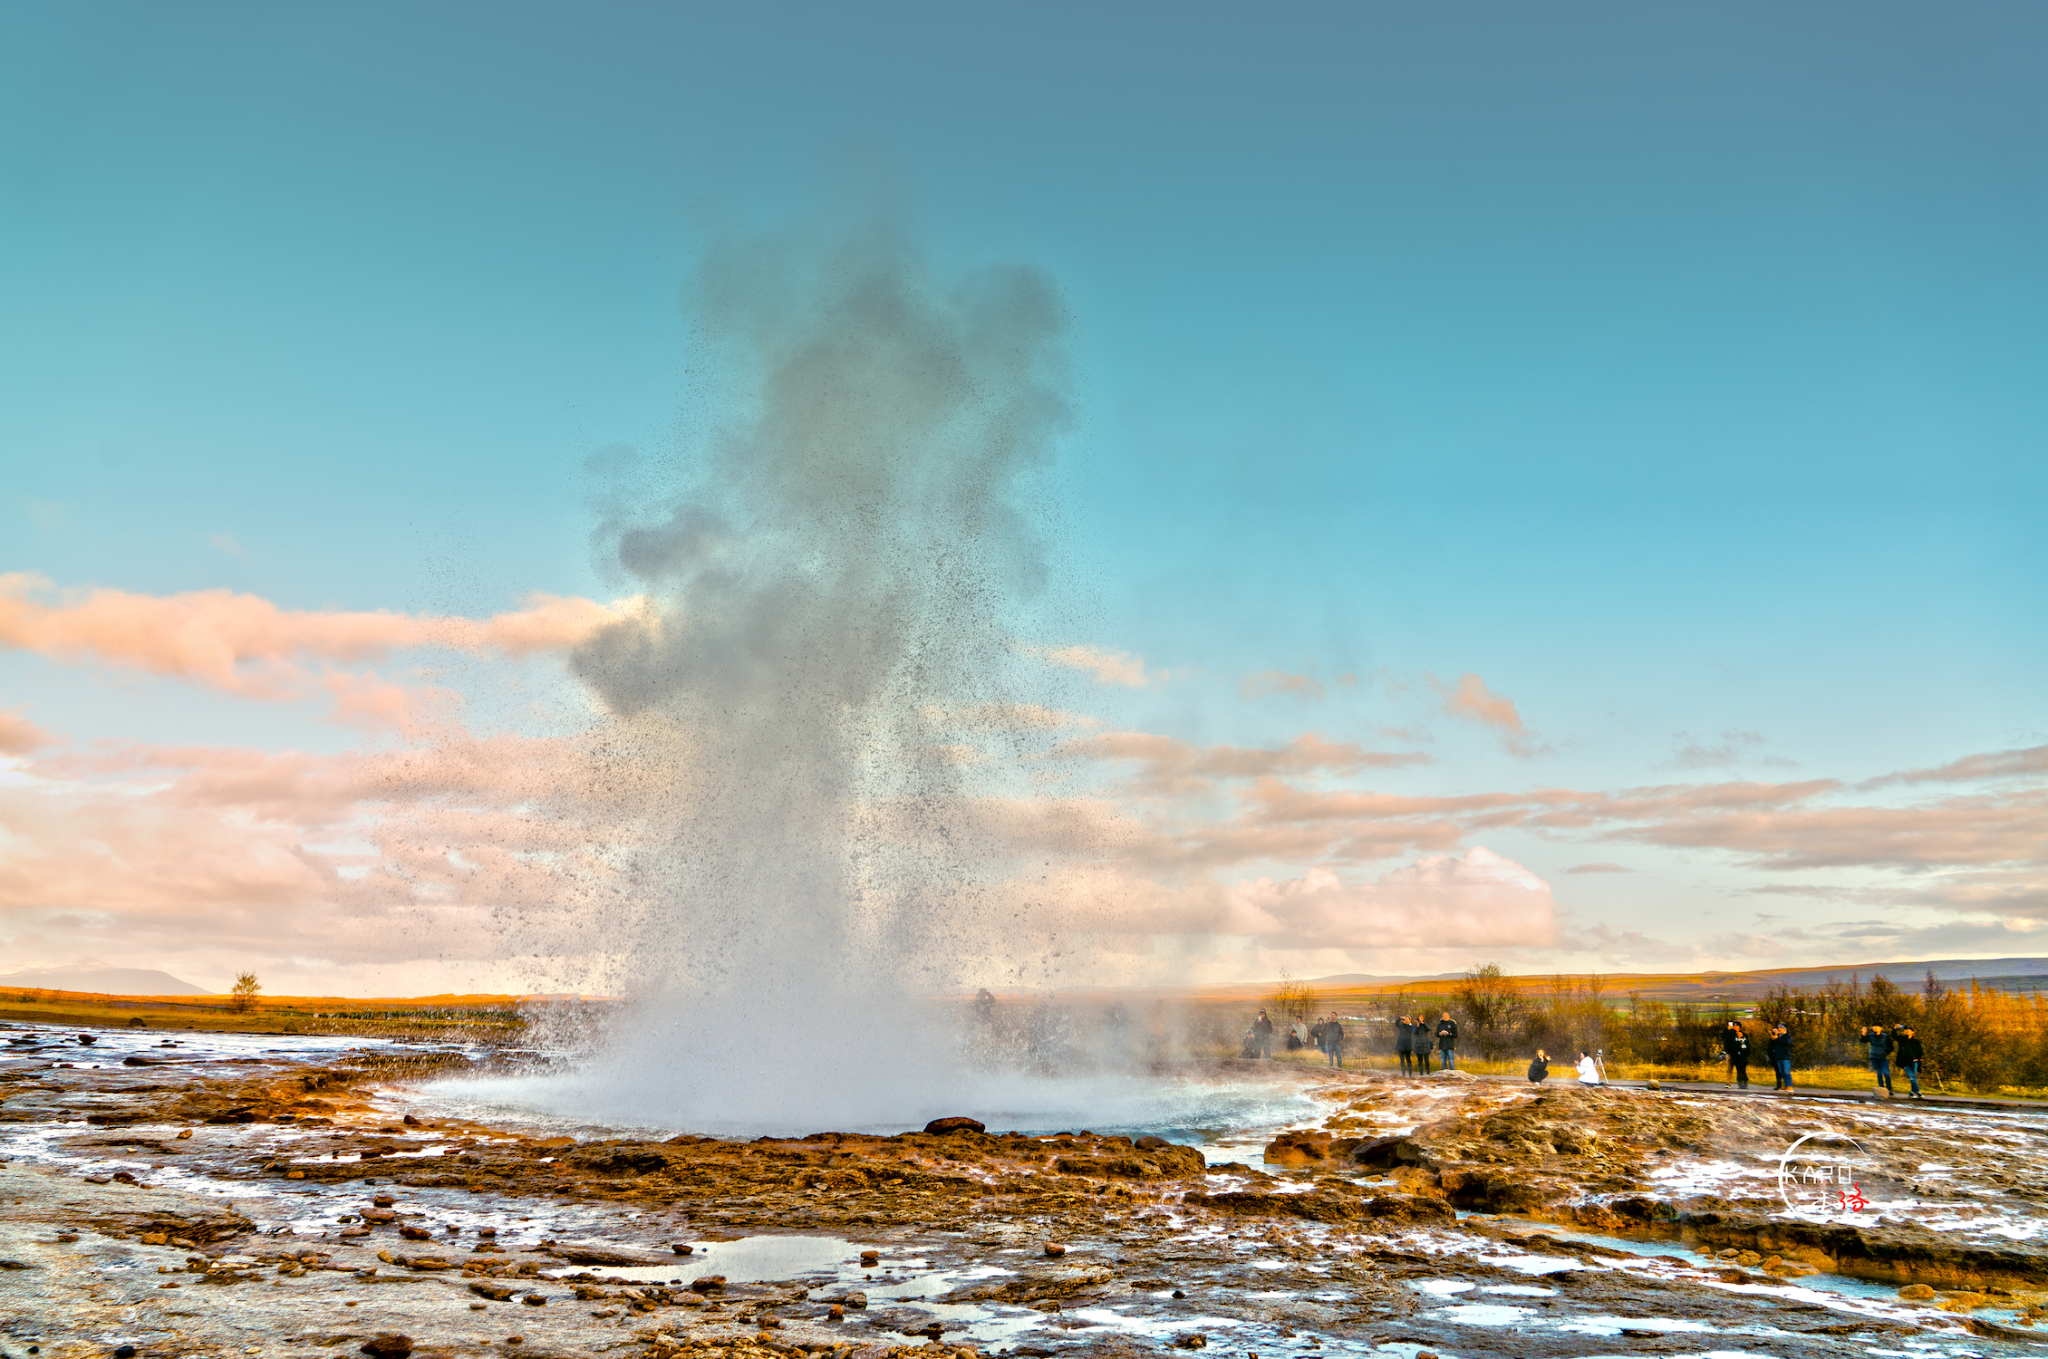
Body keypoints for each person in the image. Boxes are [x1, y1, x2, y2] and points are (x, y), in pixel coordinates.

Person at [1865, 1023, 1895, 1095]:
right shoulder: (1871, 1035)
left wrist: (1886, 1053)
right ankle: (1881, 1089)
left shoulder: (1885, 1036)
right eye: (1874, 1027)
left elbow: (1891, 1047)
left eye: (1877, 1027)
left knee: (1886, 1073)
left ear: (1881, 1028)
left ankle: (1889, 1089)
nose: (1875, 1028)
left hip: (1883, 1058)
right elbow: (1863, 1040)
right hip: (1874, 1057)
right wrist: (1863, 1033)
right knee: (1879, 1073)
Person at [1895, 1025, 1924, 1099]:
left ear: (1913, 1032)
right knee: (1911, 1077)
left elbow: (1920, 1051)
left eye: (1909, 1030)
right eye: (1906, 1030)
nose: (1907, 1031)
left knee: (1914, 1077)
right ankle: (1918, 1092)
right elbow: (1894, 1036)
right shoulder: (1902, 1040)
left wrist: (1917, 1058)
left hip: (1914, 1061)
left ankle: (1912, 1093)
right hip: (1905, 1062)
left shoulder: (1916, 1042)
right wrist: (1895, 1029)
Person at [1766, 1024, 1794, 1091]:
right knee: (1782, 1072)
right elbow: (1772, 1044)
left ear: (1784, 1029)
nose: (1779, 1029)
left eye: (1780, 1028)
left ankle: (1789, 1085)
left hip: (1785, 1057)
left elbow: (1787, 1043)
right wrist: (1774, 1036)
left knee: (1786, 1072)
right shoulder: (1779, 1037)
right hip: (1779, 1057)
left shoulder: (1788, 1037)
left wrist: (1777, 1038)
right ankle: (1785, 1085)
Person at [1724, 1021, 1751, 1089]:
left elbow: (1747, 1045)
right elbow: (1724, 1036)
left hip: (1739, 1055)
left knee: (1740, 1070)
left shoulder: (1743, 1035)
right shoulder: (1730, 1034)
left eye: (1736, 1026)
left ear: (1739, 1027)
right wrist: (1728, 1029)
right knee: (1729, 1069)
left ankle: (1741, 1083)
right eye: (1733, 1026)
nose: (1734, 1027)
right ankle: (1728, 1083)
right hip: (1730, 1053)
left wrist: (1745, 1054)